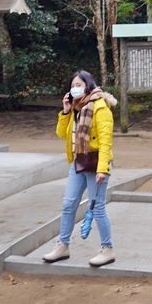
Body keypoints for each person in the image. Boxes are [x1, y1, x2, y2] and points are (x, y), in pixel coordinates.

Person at [41, 70, 116, 266]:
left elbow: (106, 142)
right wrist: (65, 111)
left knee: (97, 207)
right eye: (73, 85)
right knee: (68, 204)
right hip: (78, 162)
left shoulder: (100, 108)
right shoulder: (75, 109)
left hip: (97, 163)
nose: (75, 89)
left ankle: (107, 249)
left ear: (88, 86)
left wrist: (102, 169)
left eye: (79, 85)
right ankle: (62, 245)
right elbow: (61, 134)